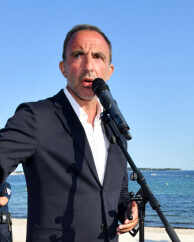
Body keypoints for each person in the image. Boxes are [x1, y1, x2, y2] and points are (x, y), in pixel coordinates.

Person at [0, 24, 138, 241]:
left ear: (109, 71)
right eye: (78, 55)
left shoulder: (117, 127)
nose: (89, 66)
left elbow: (117, 192)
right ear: (63, 67)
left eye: (98, 57)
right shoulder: (35, 117)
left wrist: (129, 210)